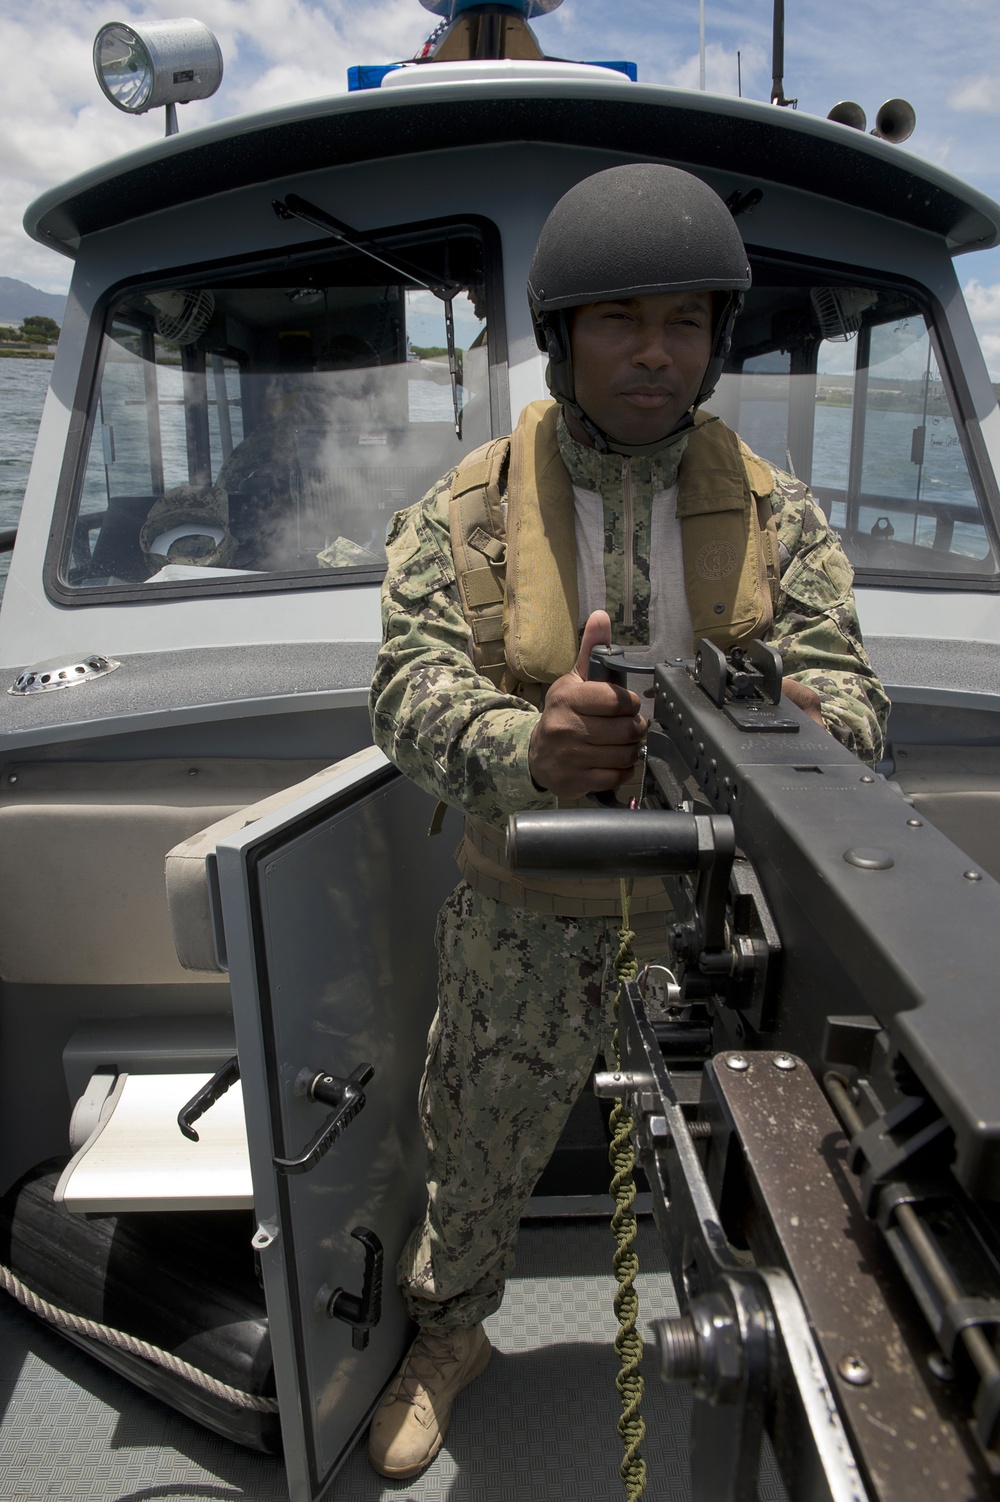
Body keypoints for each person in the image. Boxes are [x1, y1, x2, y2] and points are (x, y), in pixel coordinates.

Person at [367, 163, 889, 1479]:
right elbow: (404, 690)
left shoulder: (777, 514)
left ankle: (798, 1367)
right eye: (621, 321)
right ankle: (451, 1333)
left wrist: (813, 730)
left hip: (721, 923)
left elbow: (866, 705)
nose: (656, 351)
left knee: (769, 1155)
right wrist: (524, 743)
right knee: (479, 1134)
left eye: (685, 323)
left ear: (716, 344)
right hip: (526, 907)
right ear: (566, 336)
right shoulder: (465, 511)